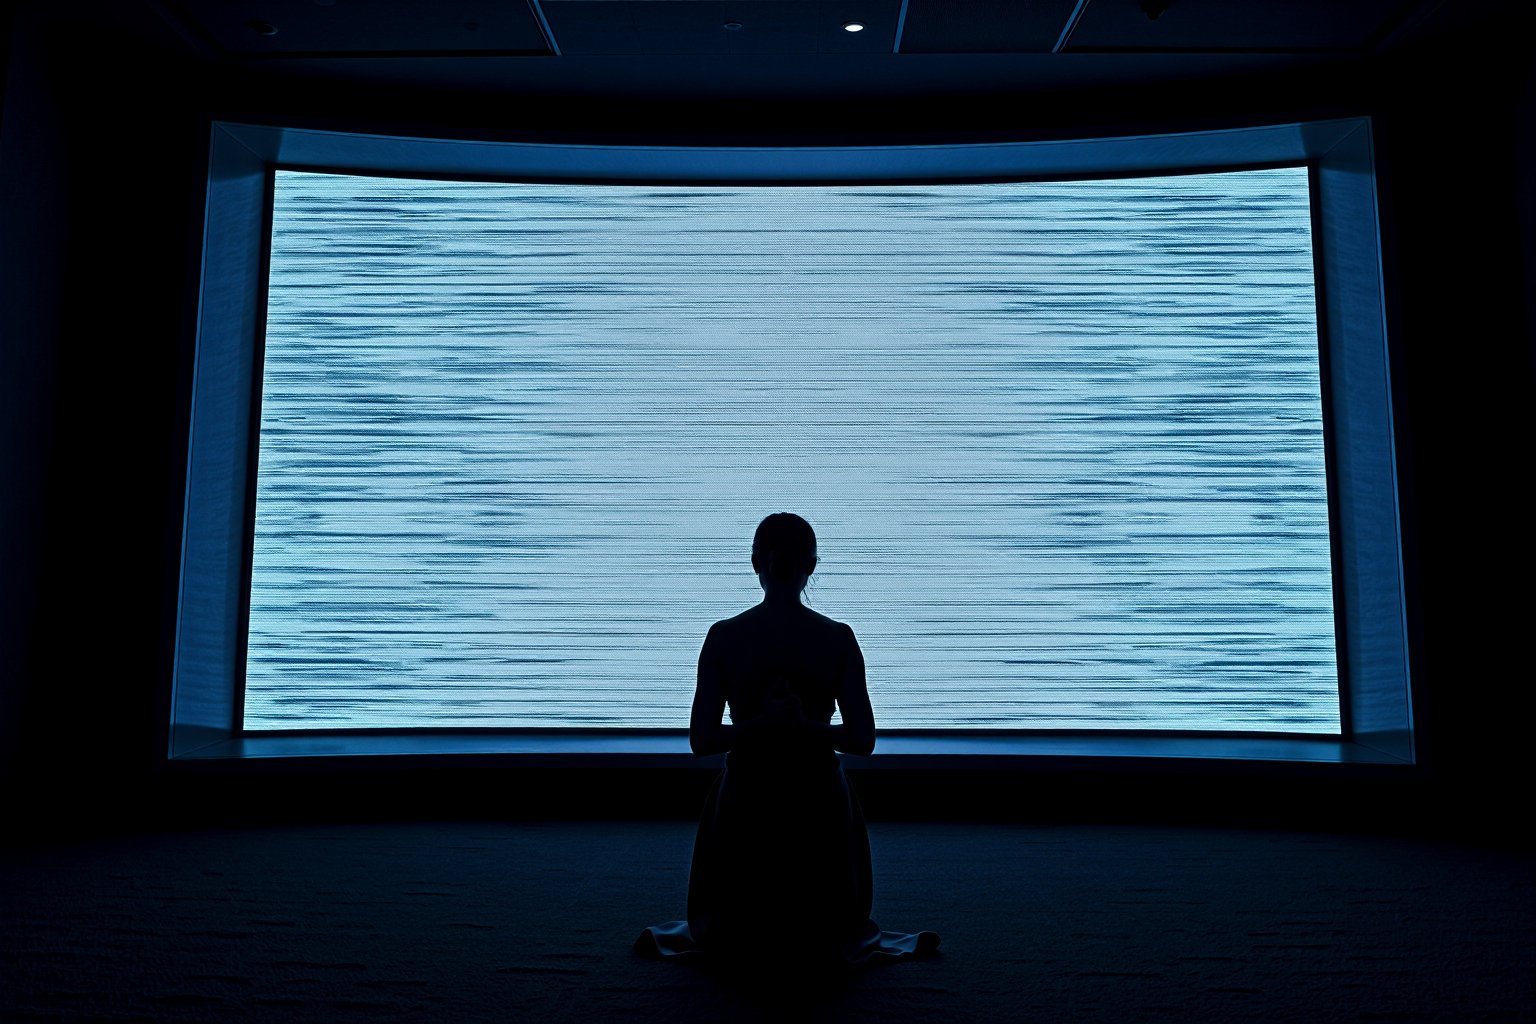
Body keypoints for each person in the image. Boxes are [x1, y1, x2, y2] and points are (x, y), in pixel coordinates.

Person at [636, 512, 939, 968]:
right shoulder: (837, 639)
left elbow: (702, 740)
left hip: (747, 801)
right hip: (816, 802)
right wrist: (807, 730)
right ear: (811, 567)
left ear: (755, 562)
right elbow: (863, 740)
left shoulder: (724, 637)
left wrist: (759, 727)